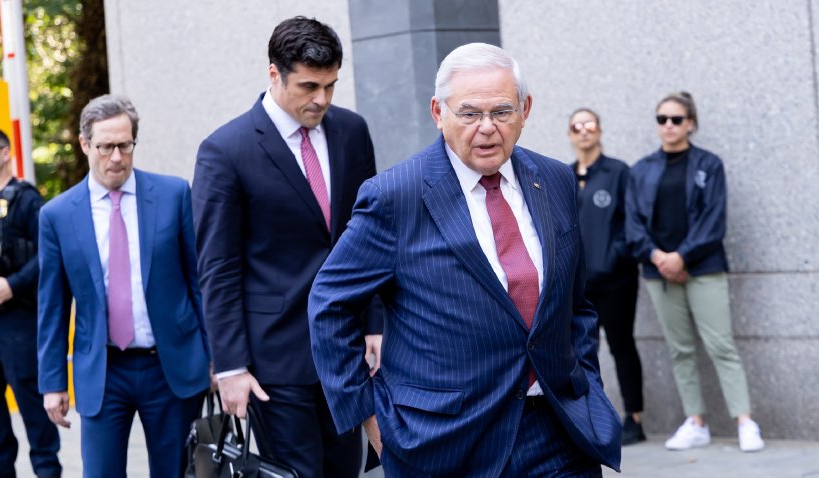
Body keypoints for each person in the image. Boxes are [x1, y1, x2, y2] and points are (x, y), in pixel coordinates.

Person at [308, 42, 621, 477]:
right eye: (469, 113)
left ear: (525, 110)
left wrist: (586, 387)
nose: (487, 128)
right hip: (443, 442)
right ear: (438, 112)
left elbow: (575, 303)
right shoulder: (395, 196)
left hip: (558, 431)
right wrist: (368, 415)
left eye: (502, 112)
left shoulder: (554, 180)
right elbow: (330, 303)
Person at [192, 16, 382, 478]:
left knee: (346, 470)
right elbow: (218, 267)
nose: (321, 99)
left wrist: (375, 321)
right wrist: (231, 365)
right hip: (273, 357)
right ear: (274, 74)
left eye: (331, 85)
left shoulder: (351, 132)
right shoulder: (225, 149)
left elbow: (370, 236)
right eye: (309, 86)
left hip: (345, 348)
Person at [37, 94, 212, 477]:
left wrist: (216, 357)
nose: (116, 157)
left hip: (170, 367)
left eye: (125, 145)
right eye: (106, 146)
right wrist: (53, 383)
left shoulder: (172, 194)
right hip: (103, 370)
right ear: (85, 144)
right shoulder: (57, 215)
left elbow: (198, 282)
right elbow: (52, 306)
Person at [625, 91, 764, 452]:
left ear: (691, 123)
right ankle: (696, 422)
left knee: (721, 345)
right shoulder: (641, 170)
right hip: (659, 273)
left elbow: (713, 220)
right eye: (662, 119)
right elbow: (633, 225)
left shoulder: (709, 164)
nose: (668, 126)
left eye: (675, 119)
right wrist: (659, 257)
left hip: (703, 268)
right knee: (680, 349)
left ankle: (745, 422)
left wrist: (681, 257)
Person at [0, 128, 62, 478]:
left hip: (18, 318)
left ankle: (47, 471)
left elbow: (47, 254)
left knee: (35, 411)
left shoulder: (25, 199)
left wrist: (13, 285)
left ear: (6, 153)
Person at [567, 109, 646, 445]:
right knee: (582, 350)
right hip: (578, 284)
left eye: (590, 124)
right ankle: (591, 417)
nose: (584, 131)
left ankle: (635, 418)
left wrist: (612, 259)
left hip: (616, 280)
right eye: (576, 126)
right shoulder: (564, 175)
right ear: (569, 134)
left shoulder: (618, 172)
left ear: (599, 130)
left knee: (621, 345)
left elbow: (630, 222)